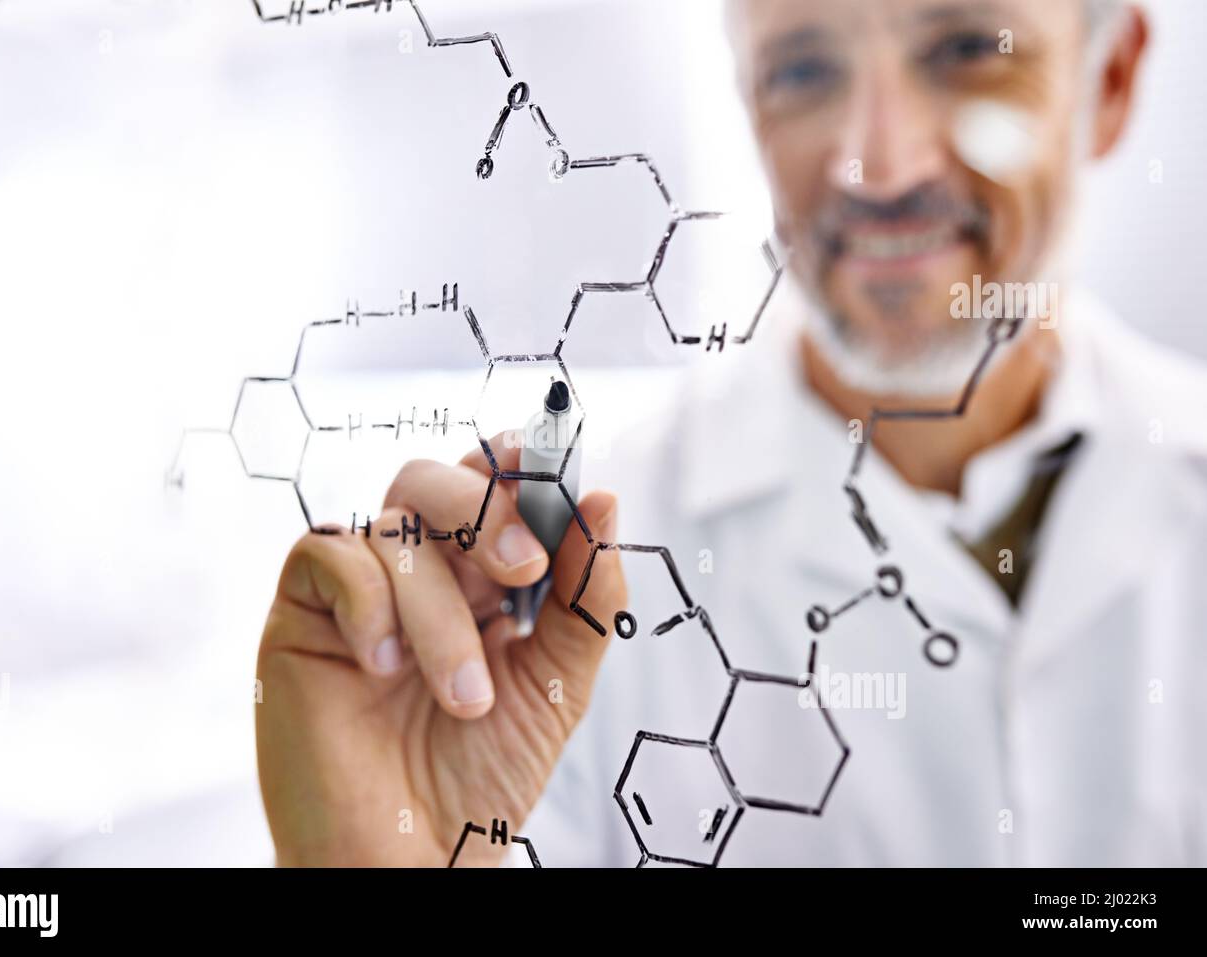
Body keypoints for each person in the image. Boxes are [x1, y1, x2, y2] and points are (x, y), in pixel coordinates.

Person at [254, 0, 1207, 867]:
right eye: (802, 70)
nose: (878, 164)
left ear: (1110, 81)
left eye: (967, 50)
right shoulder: (563, 603)